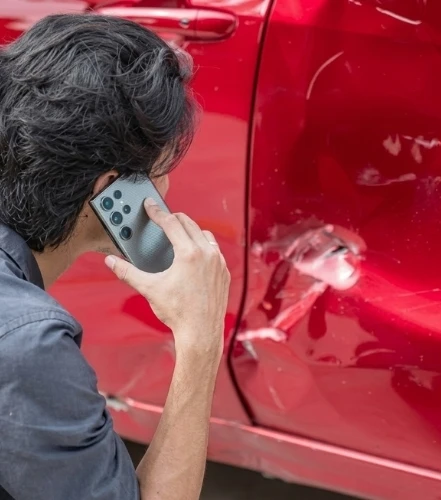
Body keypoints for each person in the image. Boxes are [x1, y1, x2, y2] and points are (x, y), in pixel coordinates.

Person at [0, 13, 230, 500]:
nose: (167, 187)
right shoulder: (27, 347)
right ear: (111, 190)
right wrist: (201, 338)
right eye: (160, 171)